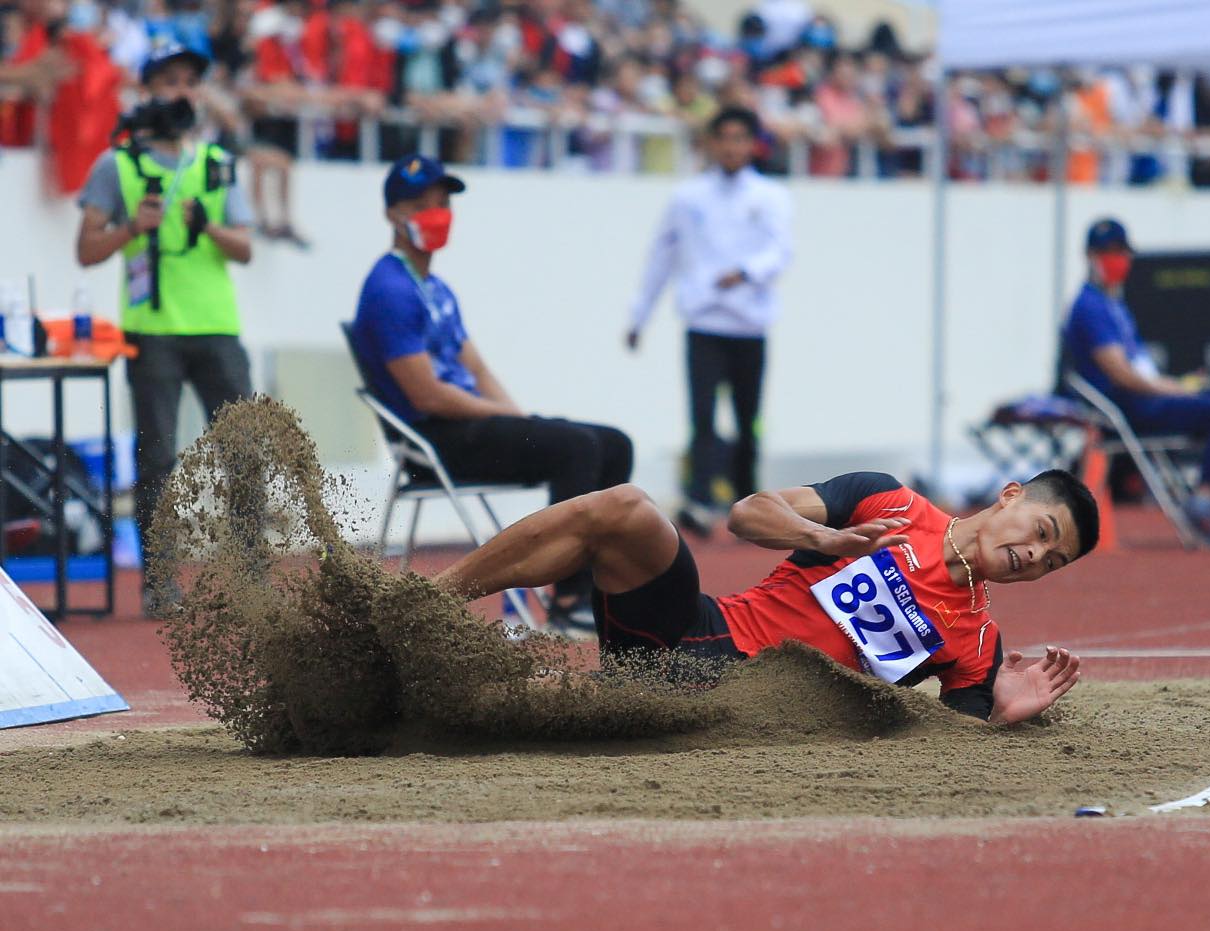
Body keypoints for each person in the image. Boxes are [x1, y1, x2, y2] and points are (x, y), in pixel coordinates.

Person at [434, 468, 1098, 725]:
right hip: (698, 634)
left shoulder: (977, 644)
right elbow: (747, 513)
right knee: (626, 508)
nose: (1036, 556)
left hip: (746, 708)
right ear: (1010, 495)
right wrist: (826, 538)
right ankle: (422, 602)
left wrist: (998, 716)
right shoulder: (887, 503)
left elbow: (948, 742)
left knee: (506, 712)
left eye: (1052, 561)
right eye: (1042, 532)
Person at [349, 153, 633, 638]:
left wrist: (520, 419)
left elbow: (474, 366)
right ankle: (569, 599)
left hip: (471, 425)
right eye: (422, 204)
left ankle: (597, 591)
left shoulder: (434, 286)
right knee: (577, 447)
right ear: (394, 215)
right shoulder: (389, 289)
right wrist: (510, 417)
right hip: (436, 440)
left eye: (442, 204)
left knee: (612, 443)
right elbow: (428, 396)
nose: (437, 214)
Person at [75, 42, 255, 616]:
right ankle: (160, 585)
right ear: (147, 89)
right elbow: (86, 249)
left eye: (189, 81)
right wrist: (132, 228)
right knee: (157, 458)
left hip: (216, 325)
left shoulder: (216, 162)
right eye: (170, 81)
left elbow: (245, 246)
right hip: (151, 329)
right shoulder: (118, 164)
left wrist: (208, 227)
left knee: (244, 449)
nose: (181, 92)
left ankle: (250, 577)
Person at [625, 106, 793, 536]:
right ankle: (699, 498)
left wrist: (746, 272)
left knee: (748, 418)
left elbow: (781, 251)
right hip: (703, 323)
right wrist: (639, 315)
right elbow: (661, 256)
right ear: (712, 143)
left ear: (752, 144)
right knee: (701, 416)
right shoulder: (689, 197)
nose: (732, 146)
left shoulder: (770, 196)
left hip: (749, 325)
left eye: (741, 138)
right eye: (725, 138)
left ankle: (748, 500)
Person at [1061, 218, 1210, 546]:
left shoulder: (1114, 304)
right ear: (1091, 256)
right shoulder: (1090, 306)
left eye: (1121, 252)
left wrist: (1178, 384)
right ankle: (1208, 498)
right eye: (1109, 253)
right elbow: (1121, 374)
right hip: (1131, 405)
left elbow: (1139, 367)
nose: (1118, 260)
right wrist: (1172, 388)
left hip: (1146, 396)